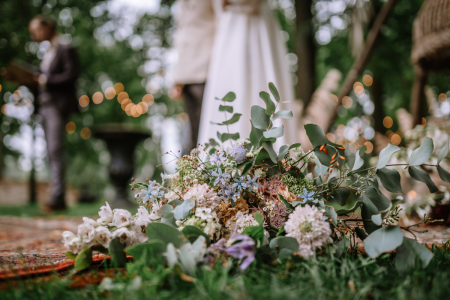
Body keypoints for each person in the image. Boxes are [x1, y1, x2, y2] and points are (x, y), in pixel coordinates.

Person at [198, 0, 297, 147]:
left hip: (256, 25)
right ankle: (229, 157)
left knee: (264, 82)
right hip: (234, 26)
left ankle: (272, 153)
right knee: (232, 86)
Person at [29, 15, 79, 212]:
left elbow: (71, 75)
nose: (35, 35)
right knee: (50, 152)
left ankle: (58, 198)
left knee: (55, 150)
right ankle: (57, 195)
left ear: (48, 27)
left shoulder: (66, 48)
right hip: (43, 106)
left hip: (57, 107)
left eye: (36, 30)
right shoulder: (47, 52)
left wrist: (44, 80)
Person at [170, 0, 216, 148]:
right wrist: (177, 78)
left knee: (208, 124)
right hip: (185, 71)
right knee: (194, 129)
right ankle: (198, 166)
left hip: (207, 65)